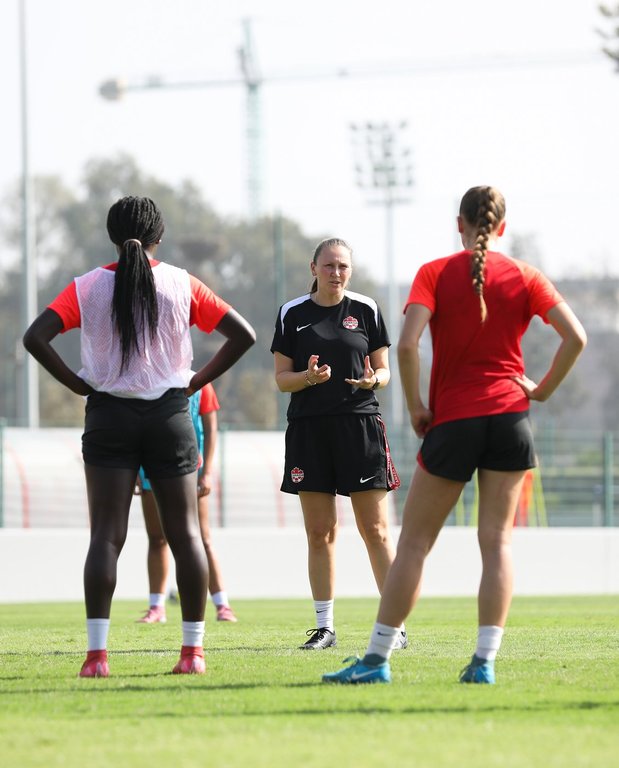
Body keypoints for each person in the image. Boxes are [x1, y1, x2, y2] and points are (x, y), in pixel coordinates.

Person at [322, 185, 586, 685]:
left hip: (455, 419)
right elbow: (576, 337)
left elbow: (405, 347)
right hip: (511, 419)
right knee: (497, 542)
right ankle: (483, 663)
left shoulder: (434, 273)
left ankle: (377, 661)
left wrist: (418, 407)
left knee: (416, 543)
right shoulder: (527, 276)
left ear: (458, 223)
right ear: (501, 227)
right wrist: (542, 391)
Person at [23, 196, 255, 678]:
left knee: (106, 538)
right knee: (187, 534)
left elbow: (35, 337)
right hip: (170, 414)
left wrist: (77, 383)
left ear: (112, 234)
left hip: (108, 415)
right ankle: (192, 654)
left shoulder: (86, 286)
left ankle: (96, 657)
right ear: (159, 236)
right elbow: (243, 334)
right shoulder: (180, 281)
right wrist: (195, 380)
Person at [270, 237, 406, 650]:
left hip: (359, 426)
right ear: (313, 268)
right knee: (319, 532)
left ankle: (394, 629)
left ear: (351, 270)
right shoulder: (291, 314)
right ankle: (325, 627)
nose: (336, 273)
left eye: (343, 266)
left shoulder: (366, 309)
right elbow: (281, 380)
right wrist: (308, 378)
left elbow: (384, 371)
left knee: (377, 530)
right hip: (310, 430)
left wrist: (373, 380)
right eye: (328, 265)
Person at [136, 383, 238, 624]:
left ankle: (222, 605)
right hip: (150, 466)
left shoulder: (201, 383)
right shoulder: (145, 379)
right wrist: (133, 471)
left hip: (190, 468)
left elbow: (211, 429)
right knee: (157, 537)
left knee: (202, 538)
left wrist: (207, 472)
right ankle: (156, 607)